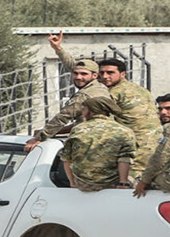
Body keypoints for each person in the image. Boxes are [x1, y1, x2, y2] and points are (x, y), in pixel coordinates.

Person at [48, 31, 161, 177]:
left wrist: (53, 132)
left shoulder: (111, 94)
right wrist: (58, 49)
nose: (105, 77)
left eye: (110, 73)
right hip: (153, 147)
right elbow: (82, 72)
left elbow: (87, 123)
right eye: (102, 73)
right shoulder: (138, 89)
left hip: (134, 151)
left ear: (122, 74)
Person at [24, 46, 110, 152]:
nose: (78, 77)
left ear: (95, 75)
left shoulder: (84, 95)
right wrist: (59, 49)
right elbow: (73, 66)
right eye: (75, 73)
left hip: (89, 144)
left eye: (84, 74)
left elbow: (63, 117)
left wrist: (39, 137)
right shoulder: (100, 86)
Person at [61, 97, 136, 192]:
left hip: (84, 184)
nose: (82, 113)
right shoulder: (124, 131)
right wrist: (123, 183)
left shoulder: (78, 130)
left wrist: (72, 182)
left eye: (84, 109)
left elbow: (66, 158)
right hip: (111, 184)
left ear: (92, 112)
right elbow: (125, 159)